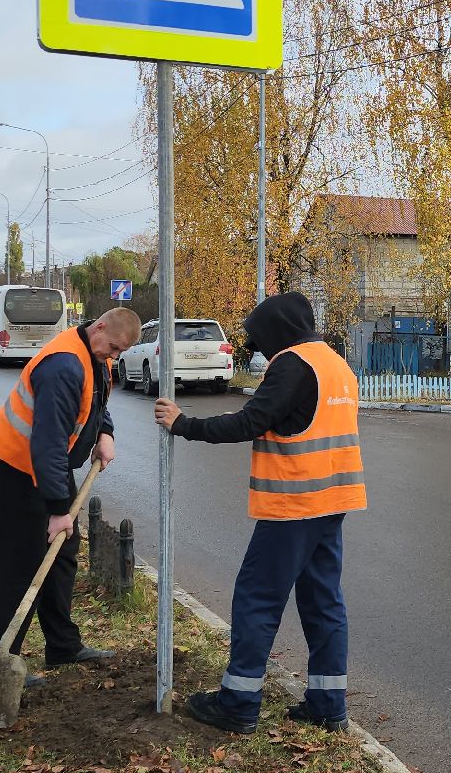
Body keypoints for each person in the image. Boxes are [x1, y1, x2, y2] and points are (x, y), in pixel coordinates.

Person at [152, 292, 366, 735]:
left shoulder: (292, 364)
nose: (259, 348)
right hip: (333, 502)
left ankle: (239, 703)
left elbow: (249, 422)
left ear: (278, 332)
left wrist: (183, 424)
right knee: (323, 602)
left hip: (293, 505)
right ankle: (328, 705)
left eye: (260, 338)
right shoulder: (335, 363)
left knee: (257, 599)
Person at [0, 307, 141, 686]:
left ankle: (63, 646)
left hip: (45, 466)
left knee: (64, 550)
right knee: (23, 563)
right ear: (99, 327)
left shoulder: (94, 354)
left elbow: (95, 404)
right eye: (113, 349)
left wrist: (106, 433)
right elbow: (48, 443)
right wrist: (57, 510)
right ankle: (2, 660)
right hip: (16, 467)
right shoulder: (63, 366)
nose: (114, 357)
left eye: (120, 353)